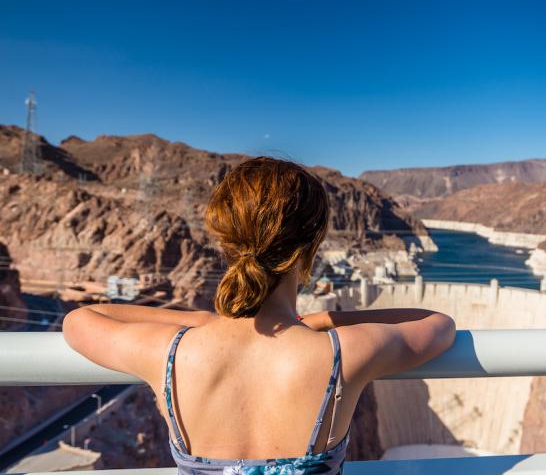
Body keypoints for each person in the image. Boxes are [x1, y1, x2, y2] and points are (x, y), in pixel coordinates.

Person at [63, 157, 456, 474]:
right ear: (309, 252)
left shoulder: (170, 354)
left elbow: (80, 320)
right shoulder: (343, 353)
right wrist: (328, 320)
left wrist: (203, 322)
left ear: (225, 243)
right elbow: (437, 325)